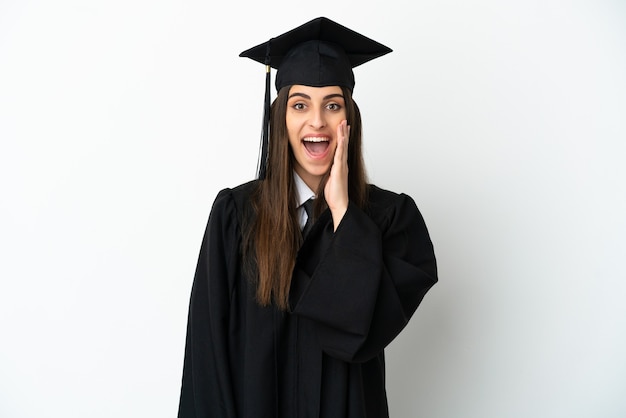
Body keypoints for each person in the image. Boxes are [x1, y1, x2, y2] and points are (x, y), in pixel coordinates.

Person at [177, 16, 438, 418]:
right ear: (281, 117)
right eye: (300, 104)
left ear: (349, 119)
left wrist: (344, 213)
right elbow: (207, 359)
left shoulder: (391, 222)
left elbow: (358, 335)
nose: (317, 121)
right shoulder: (235, 217)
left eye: (332, 105)